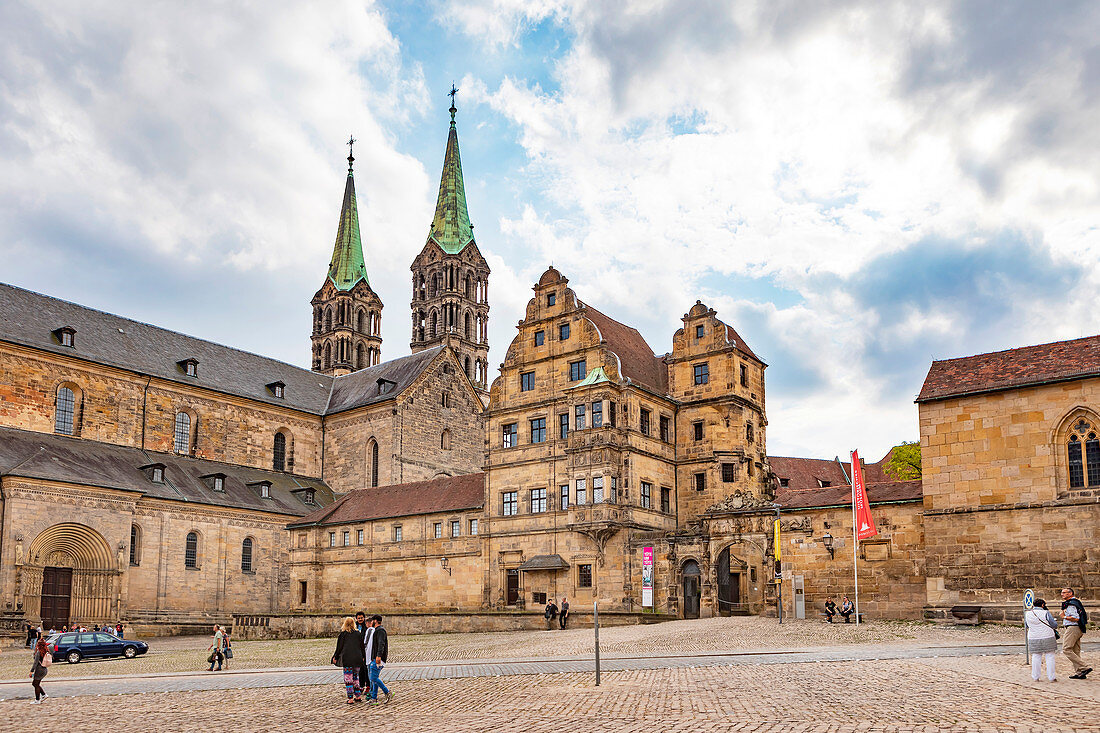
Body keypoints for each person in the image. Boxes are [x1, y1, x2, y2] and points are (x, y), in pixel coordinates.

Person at [1060, 587, 1092, 679]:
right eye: (1062, 593)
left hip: (1073, 628)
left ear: (1070, 593)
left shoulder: (1071, 604)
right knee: (1075, 651)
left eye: (1064, 593)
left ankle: (1085, 667)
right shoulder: (1075, 603)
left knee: (1066, 649)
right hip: (1077, 628)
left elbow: (1076, 618)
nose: (1062, 594)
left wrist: (1064, 617)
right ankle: (1080, 672)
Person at [332, 617, 365, 704]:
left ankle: (350, 698)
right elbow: (362, 647)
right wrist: (363, 657)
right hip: (357, 658)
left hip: (347, 659)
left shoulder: (343, 634)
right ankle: (358, 696)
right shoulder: (358, 633)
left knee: (348, 679)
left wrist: (335, 656)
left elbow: (339, 647)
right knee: (356, 678)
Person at [1025, 598, 1059, 682]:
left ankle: (1035, 677)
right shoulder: (1045, 612)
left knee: (1036, 656)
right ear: (1043, 605)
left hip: (1033, 637)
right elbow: (1054, 625)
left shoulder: (1027, 613)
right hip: (1047, 636)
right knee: (1050, 656)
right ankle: (1051, 677)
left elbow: (1026, 625)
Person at [366, 614, 391, 704]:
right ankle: (374, 698)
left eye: (372, 620)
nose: (371, 622)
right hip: (375, 657)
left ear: (375, 621)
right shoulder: (377, 630)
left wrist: (378, 656)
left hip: (378, 658)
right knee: (374, 677)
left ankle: (387, 692)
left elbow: (381, 644)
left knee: (373, 677)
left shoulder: (380, 630)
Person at [355, 611, 374, 696]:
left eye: (361, 618)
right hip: (356, 650)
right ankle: (361, 685)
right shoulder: (354, 626)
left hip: (365, 650)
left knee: (366, 669)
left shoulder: (366, 627)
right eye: (359, 618)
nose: (360, 619)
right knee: (360, 669)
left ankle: (368, 686)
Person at [30, 637, 50, 703]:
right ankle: (44, 695)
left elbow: (35, 662)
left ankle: (37, 699)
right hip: (44, 669)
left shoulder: (39, 652)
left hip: (39, 669)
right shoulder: (46, 651)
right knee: (36, 684)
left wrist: (31, 671)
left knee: (35, 684)